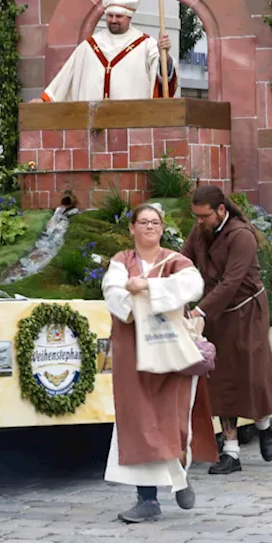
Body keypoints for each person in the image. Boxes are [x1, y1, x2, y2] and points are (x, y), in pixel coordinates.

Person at [101, 203, 216, 521]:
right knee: (139, 422)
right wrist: (141, 301)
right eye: (143, 222)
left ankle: (179, 475)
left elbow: (193, 286)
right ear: (132, 228)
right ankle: (147, 499)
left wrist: (149, 287)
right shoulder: (121, 261)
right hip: (133, 352)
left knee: (172, 419)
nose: (149, 227)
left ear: (162, 228)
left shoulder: (176, 261)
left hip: (172, 351)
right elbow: (113, 293)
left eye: (155, 222)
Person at [181, 186, 272, 475]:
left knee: (251, 374)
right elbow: (183, 262)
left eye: (204, 216)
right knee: (221, 379)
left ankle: (264, 425)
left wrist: (199, 310)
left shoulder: (241, 236)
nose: (199, 222)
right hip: (216, 313)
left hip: (247, 311)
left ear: (221, 211)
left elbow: (232, 281)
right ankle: (231, 451)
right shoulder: (199, 231)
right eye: (195, 216)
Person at [40, 0, 177, 102]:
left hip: (131, 121)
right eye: (110, 15)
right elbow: (65, 79)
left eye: (118, 16)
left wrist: (164, 57)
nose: (113, 20)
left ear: (129, 17)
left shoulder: (147, 45)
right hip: (93, 122)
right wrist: (45, 101)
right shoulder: (89, 46)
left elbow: (163, 79)